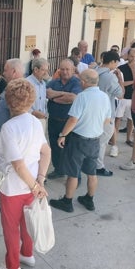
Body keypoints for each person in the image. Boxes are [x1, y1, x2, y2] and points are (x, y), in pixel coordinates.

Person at [0, 78, 50, 269]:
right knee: (28, 222)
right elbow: (46, 151)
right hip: (32, 184)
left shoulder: (8, 127)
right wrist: (39, 182)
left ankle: (13, 265)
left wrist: (36, 185)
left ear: (9, 100)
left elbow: (17, 165)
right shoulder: (36, 122)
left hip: (12, 187)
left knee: (11, 229)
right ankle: (27, 254)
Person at [49, 69, 111, 213]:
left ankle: (67, 201)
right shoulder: (104, 97)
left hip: (78, 140)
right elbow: (107, 119)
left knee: (73, 172)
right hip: (94, 140)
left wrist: (62, 135)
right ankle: (89, 199)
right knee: (92, 172)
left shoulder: (82, 97)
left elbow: (72, 119)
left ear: (84, 82)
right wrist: (94, 127)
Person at [46, 59, 82, 179]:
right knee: (55, 148)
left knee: (70, 150)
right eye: (62, 69)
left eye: (67, 69)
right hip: (53, 120)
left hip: (68, 122)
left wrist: (54, 96)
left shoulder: (76, 82)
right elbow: (47, 93)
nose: (65, 71)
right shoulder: (54, 82)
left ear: (72, 70)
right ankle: (59, 170)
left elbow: (73, 98)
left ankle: (74, 176)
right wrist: (62, 95)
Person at [94, 51, 124, 176]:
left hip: (93, 111)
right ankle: (98, 166)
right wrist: (120, 79)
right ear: (112, 62)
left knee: (93, 139)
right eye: (116, 62)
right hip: (106, 113)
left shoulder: (93, 72)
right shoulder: (110, 77)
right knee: (102, 141)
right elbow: (120, 94)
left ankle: (90, 162)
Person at [110, 48, 135, 157]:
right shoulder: (121, 68)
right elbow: (120, 84)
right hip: (122, 98)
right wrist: (133, 81)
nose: (133, 59)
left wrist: (133, 71)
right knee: (117, 119)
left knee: (130, 120)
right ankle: (114, 139)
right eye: (132, 56)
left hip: (134, 98)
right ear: (127, 56)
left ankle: (128, 138)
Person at [0, 59, 25, 134]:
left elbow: (17, 114)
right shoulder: (12, 85)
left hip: (10, 133)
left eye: (5, 70)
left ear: (14, 72)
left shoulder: (19, 88)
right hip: (4, 132)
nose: (3, 73)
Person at [26, 58, 49, 136]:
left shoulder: (43, 84)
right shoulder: (27, 83)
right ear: (36, 70)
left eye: (47, 70)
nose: (46, 73)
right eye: (44, 70)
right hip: (30, 120)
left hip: (41, 120)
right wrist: (33, 112)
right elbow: (23, 103)